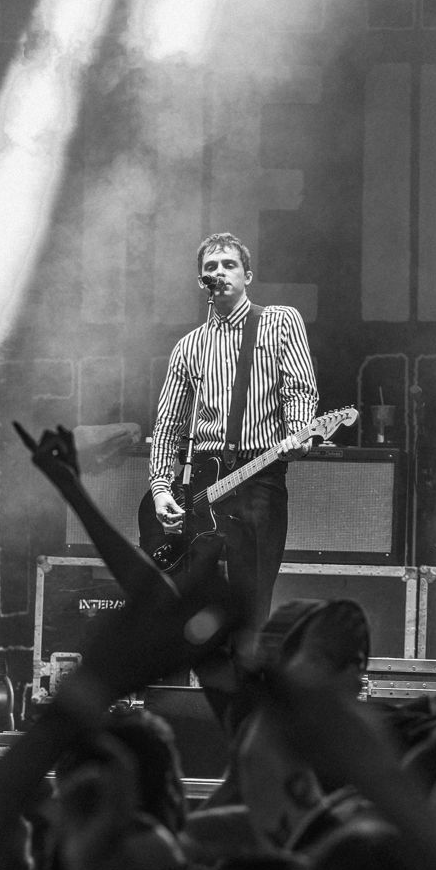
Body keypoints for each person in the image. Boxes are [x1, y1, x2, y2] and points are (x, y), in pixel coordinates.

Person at [147, 232, 318, 631]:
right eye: (210, 267)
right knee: (188, 601)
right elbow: (169, 423)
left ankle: (245, 680)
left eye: (228, 265)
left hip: (259, 475)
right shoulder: (190, 346)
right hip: (201, 484)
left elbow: (299, 388)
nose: (219, 272)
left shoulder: (279, 322)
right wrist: (159, 488)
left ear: (248, 275)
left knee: (251, 596)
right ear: (200, 280)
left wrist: (298, 435)